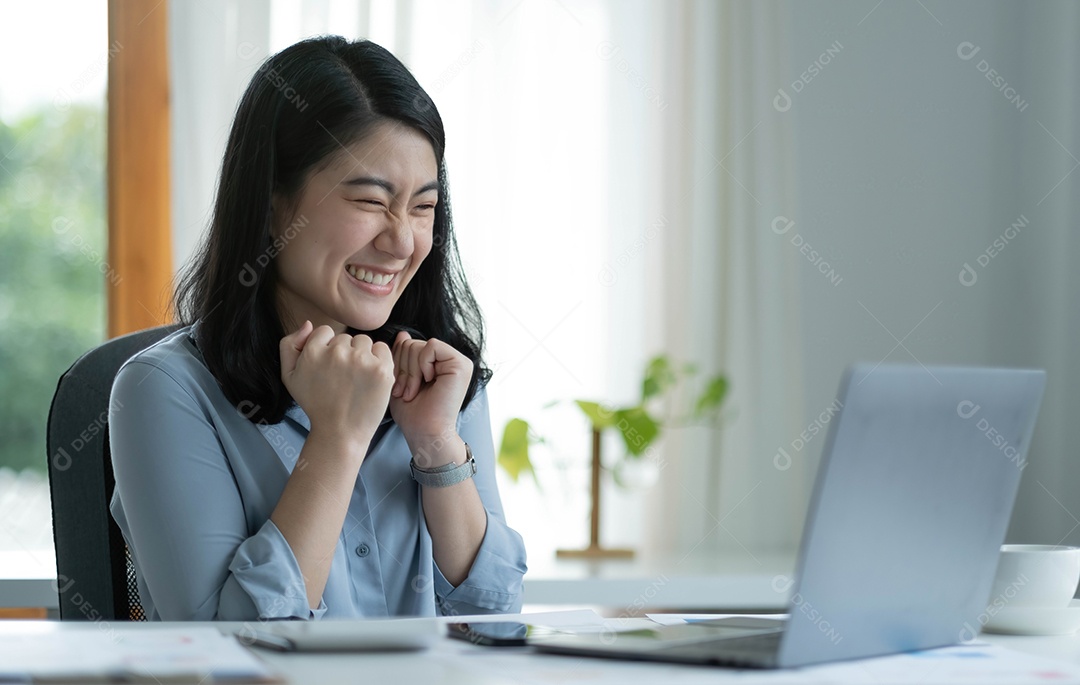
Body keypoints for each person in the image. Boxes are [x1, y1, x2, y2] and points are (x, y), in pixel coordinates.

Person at [109, 36, 527, 621]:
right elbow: (225, 649)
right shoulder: (164, 390)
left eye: (423, 207)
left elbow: (495, 616)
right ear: (273, 203)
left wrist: (437, 446)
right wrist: (336, 439)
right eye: (369, 201)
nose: (402, 240)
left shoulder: (442, 381)